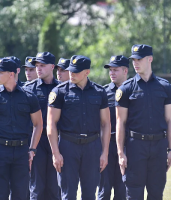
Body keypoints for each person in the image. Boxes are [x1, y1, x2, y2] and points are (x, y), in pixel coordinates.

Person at [0, 58, 43, 199]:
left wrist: (32, 149)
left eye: (0, 73)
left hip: (21, 152)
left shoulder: (29, 96)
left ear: (11, 74)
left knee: (20, 194)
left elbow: (38, 124)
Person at [116, 44, 171, 200]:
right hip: (135, 147)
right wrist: (121, 153)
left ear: (150, 59)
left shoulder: (165, 87)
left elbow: (170, 120)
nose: (135, 63)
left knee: (156, 194)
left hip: (158, 146)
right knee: (133, 194)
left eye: (139, 59)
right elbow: (120, 122)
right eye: (133, 60)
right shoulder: (125, 89)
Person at [47, 55, 111, 200]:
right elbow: (51, 124)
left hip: (92, 147)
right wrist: (55, 153)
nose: (71, 74)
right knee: (68, 195)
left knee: (89, 195)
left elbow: (106, 124)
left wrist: (104, 152)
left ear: (87, 72)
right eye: (70, 70)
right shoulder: (59, 92)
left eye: (76, 71)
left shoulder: (99, 92)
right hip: (67, 147)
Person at [24, 52, 60, 200]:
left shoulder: (62, 88)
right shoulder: (28, 89)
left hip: (56, 142)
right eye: (37, 65)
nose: (38, 69)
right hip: (35, 141)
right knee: (36, 187)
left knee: (54, 187)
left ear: (52, 66)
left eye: (42, 66)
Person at [98, 55, 129, 200]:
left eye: (115, 70)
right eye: (110, 70)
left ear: (125, 71)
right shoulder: (102, 93)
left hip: (127, 146)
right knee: (104, 190)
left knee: (123, 191)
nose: (112, 73)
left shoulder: (133, 92)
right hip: (107, 145)